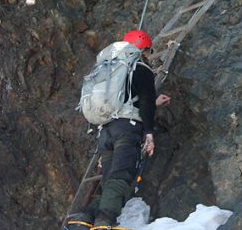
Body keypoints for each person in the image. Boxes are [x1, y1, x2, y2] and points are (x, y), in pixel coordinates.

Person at [68, 29, 172, 230]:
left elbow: (127, 101)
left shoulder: (109, 67)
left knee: (109, 181)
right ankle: (104, 222)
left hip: (105, 131)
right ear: (143, 50)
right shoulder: (140, 68)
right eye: (149, 52)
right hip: (127, 130)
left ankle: (83, 217)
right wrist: (149, 133)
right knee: (121, 176)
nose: (150, 56)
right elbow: (146, 103)